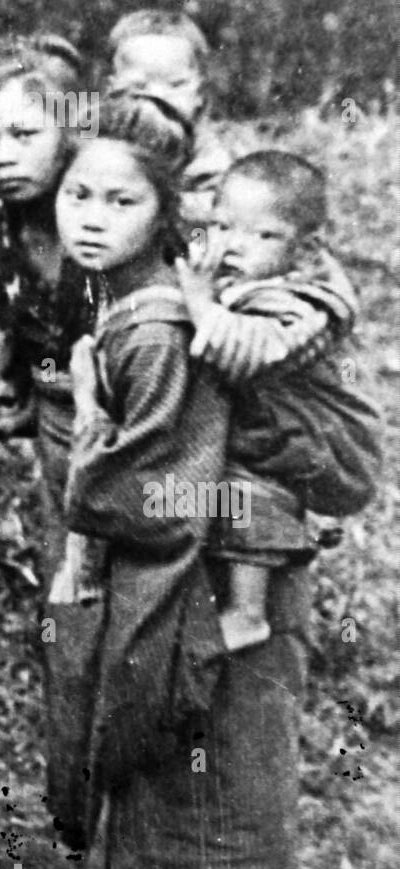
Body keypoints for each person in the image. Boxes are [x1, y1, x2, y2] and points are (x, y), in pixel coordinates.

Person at [55, 92, 381, 869]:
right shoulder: (149, 306)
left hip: (219, 576)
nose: (89, 217)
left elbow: (166, 476)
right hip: (189, 571)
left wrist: (91, 460)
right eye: (76, 195)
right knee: (163, 787)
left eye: (118, 199)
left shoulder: (214, 315)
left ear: (161, 214)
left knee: (223, 780)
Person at [174, 150, 382, 651]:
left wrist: (201, 303)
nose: (235, 245)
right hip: (274, 420)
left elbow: (257, 352)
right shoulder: (253, 272)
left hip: (320, 437)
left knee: (252, 486)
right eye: (224, 226)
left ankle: (248, 613)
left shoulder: (306, 304)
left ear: (306, 249)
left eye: (263, 235)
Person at [0, 34, 98, 576]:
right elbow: (23, 330)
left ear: (71, 133)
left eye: (24, 135)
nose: (3, 156)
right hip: (62, 423)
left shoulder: (115, 223)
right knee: (68, 564)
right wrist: (20, 385)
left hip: (149, 424)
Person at [106, 8, 232, 227]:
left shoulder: (210, 165)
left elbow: (205, 229)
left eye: (175, 84)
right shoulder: (100, 146)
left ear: (200, 94)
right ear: (113, 89)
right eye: (139, 86)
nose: (158, 96)